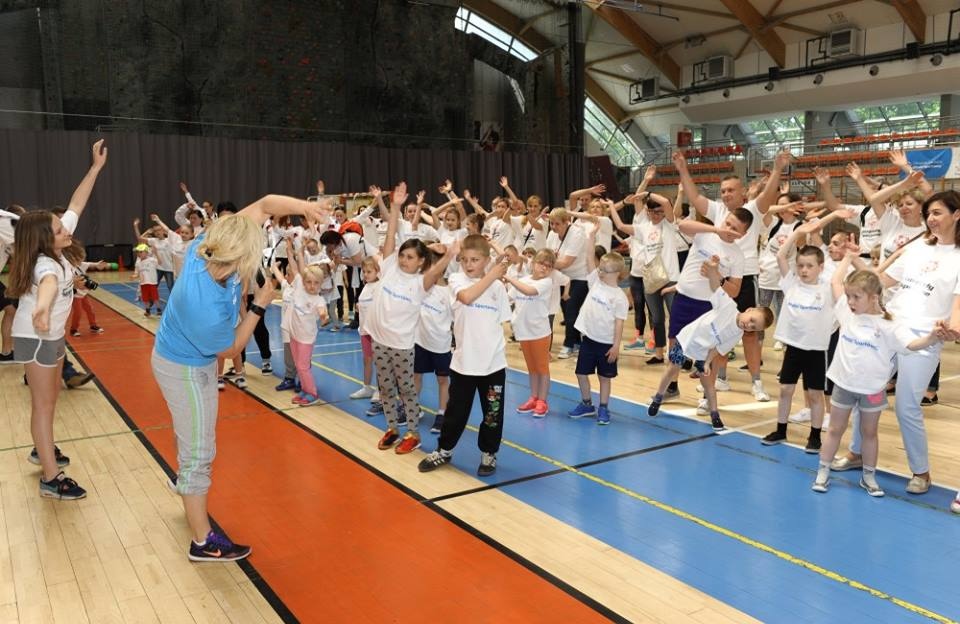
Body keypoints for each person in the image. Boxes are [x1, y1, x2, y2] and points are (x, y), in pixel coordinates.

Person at [152, 192, 330, 561]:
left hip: (189, 357)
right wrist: (261, 304)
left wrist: (306, 208)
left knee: (193, 435)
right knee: (200, 452)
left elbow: (265, 204)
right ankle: (202, 542)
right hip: (184, 367)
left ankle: (187, 484)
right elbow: (231, 348)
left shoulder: (208, 245)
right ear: (239, 258)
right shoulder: (205, 305)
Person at [832, 190, 960, 499]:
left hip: (924, 337)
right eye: (929, 214)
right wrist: (855, 259)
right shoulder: (918, 248)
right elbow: (881, 280)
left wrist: (953, 328)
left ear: (957, 215)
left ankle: (921, 471)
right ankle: (857, 452)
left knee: (906, 406)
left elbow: (957, 304)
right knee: (867, 390)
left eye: (937, 213)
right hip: (889, 328)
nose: (930, 218)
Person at [7, 139, 107, 500]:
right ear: (45, 239)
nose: (67, 228)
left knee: (49, 401)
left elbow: (77, 203)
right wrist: (42, 307)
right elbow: (48, 284)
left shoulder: (55, 248)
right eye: (60, 228)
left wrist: (95, 168)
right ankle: (51, 478)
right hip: (36, 335)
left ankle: (42, 448)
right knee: (44, 403)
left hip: (50, 335)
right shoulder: (44, 263)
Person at [813, 253, 947, 497]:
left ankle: (869, 477)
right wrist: (848, 258)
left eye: (856, 297)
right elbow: (835, 282)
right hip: (844, 386)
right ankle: (823, 472)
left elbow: (911, 345)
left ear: (874, 298)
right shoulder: (846, 311)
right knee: (834, 430)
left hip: (873, 392)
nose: (850, 301)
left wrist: (931, 337)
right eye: (849, 296)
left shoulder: (889, 324)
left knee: (870, 433)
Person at [675, 149, 789, 402]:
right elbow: (695, 197)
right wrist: (683, 169)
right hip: (718, 281)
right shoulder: (717, 211)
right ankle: (718, 380)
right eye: (723, 190)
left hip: (744, 279)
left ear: (743, 192)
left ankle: (756, 382)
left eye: (731, 190)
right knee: (718, 330)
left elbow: (768, 194)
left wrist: (778, 169)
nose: (726, 194)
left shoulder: (752, 210)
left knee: (750, 333)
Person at [364, 182, 455, 455]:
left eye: (410, 257)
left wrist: (450, 254)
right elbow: (391, 235)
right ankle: (392, 427)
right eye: (403, 255)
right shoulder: (389, 267)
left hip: (402, 345)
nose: (404, 260)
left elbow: (436, 271)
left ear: (420, 262)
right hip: (379, 339)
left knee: (406, 389)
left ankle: (413, 433)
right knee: (385, 387)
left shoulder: (420, 284)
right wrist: (394, 207)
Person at [418, 234, 511, 476]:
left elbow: (501, 322)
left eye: (475, 260)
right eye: (465, 259)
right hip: (464, 364)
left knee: (492, 414)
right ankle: (444, 450)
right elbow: (468, 298)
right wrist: (493, 273)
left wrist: (495, 277)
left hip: (493, 365)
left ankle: (489, 453)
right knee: (455, 413)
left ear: (486, 260)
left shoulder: (498, 288)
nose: (469, 264)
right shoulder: (456, 280)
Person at [647, 256, 773, 431]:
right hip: (688, 339)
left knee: (708, 384)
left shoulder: (737, 334)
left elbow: (718, 349)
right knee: (672, 369)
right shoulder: (728, 305)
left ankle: (715, 415)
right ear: (749, 310)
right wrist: (713, 270)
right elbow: (715, 286)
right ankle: (658, 397)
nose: (749, 325)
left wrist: (706, 363)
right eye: (751, 320)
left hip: (704, 351)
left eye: (754, 327)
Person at [760, 218, 839, 452]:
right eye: (801, 265)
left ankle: (815, 436)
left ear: (820, 267)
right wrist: (797, 233)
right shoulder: (791, 284)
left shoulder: (828, 288)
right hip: (793, 348)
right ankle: (781, 430)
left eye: (809, 266)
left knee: (815, 395)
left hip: (816, 350)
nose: (804, 270)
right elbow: (780, 256)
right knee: (785, 390)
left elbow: (836, 271)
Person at [565, 224, 629, 425]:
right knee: (581, 373)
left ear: (617, 273)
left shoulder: (619, 297)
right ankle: (586, 404)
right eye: (599, 268)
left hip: (606, 344)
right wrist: (591, 236)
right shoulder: (595, 282)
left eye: (604, 270)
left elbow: (619, 324)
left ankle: (603, 407)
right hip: (588, 340)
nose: (599, 271)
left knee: (604, 377)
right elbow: (588, 257)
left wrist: (616, 346)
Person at [504, 249, 557, 418]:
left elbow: (529, 291)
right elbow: (507, 298)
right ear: (533, 264)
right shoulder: (523, 280)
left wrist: (508, 278)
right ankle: (533, 398)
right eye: (541, 263)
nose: (544, 268)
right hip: (523, 332)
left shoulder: (547, 282)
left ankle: (542, 401)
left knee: (542, 368)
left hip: (539, 332)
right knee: (532, 369)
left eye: (549, 266)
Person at [280, 240, 330, 406]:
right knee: (298, 364)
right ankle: (305, 390)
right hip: (294, 335)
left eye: (316, 283)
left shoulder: (318, 300)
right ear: (303, 282)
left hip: (306, 339)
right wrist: (291, 251)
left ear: (321, 284)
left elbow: (322, 311)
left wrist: (323, 317)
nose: (311, 286)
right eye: (309, 282)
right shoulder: (300, 287)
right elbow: (296, 268)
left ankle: (312, 393)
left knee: (303, 366)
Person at [414, 249, 454, 434]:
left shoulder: (450, 293)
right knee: (415, 376)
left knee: (442, 379)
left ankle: (442, 412)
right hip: (419, 341)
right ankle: (413, 407)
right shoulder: (421, 285)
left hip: (440, 344)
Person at [348, 256, 381, 401]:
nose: (366, 274)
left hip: (376, 332)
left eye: (369, 271)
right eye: (364, 272)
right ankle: (367, 387)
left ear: (377, 271)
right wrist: (359, 306)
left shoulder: (379, 286)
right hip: (364, 331)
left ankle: (380, 389)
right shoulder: (366, 287)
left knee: (379, 361)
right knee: (367, 360)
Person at [65, 241, 107, 336]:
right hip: (76, 296)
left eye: (82, 259)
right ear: (72, 258)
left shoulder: (80, 265)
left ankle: (93, 325)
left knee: (90, 310)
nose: (81, 262)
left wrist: (97, 264)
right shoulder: (68, 268)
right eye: (79, 260)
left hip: (83, 294)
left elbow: (89, 264)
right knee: (78, 312)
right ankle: (73, 329)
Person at [133, 243, 160, 316]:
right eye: (137, 252)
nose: (139, 253)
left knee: (155, 297)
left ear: (147, 252)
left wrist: (156, 253)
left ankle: (159, 309)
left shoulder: (152, 260)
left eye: (141, 252)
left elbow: (160, 262)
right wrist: (134, 276)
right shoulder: (138, 263)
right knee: (145, 299)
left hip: (152, 283)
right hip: (143, 284)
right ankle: (147, 311)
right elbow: (137, 273)